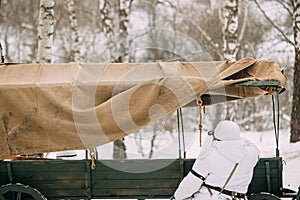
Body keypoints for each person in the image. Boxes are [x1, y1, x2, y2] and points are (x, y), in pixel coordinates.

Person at [172, 120, 260, 200]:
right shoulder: (251, 154)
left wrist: (177, 197)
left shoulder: (209, 154)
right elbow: (252, 145)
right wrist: (237, 139)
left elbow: (191, 184)